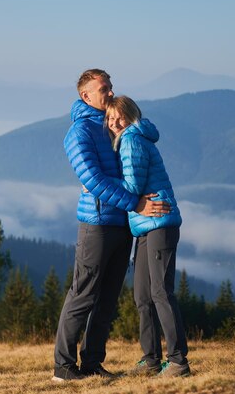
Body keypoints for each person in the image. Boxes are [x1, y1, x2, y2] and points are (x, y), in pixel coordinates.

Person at [53, 69, 170, 382]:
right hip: (97, 224)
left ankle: (92, 362)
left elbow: (147, 134)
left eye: (110, 87)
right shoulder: (79, 132)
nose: (109, 92)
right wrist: (136, 203)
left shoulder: (111, 123)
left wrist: (133, 120)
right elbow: (92, 179)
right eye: (103, 89)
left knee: (107, 299)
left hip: (122, 224)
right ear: (86, 96)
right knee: (83, 293)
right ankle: (63, 367)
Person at [104, 95, 190, 377]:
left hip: (159, 224)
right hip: (144, 225)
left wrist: (99, 183)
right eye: (110, 118)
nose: (114, 123)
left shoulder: (131, 140)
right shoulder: (130, 138)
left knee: (160, 291)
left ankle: (178, 361)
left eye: (120, 117)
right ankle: (151, 360)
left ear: (131, 117)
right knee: (143, 295)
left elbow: (132, 185)